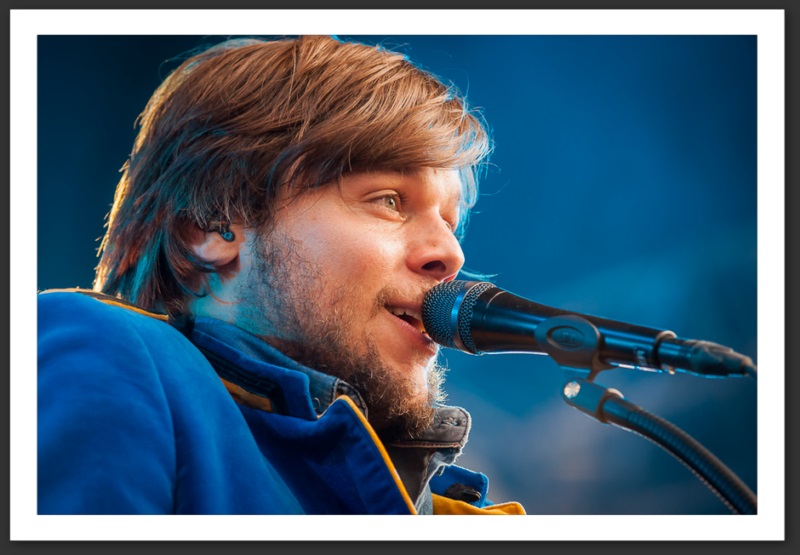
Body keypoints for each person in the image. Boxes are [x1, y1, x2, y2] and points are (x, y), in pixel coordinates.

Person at [37, 35, 525, 515]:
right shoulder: (106, 347)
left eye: (450, 222)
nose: (451, 254)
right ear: (212, 227)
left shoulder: (461, 517)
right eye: (389, 201)